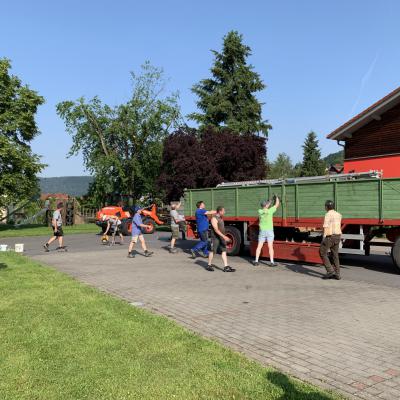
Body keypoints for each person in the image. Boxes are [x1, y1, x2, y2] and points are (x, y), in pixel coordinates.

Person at [253, 195, 280, 266]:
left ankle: (256, 261)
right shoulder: (270, 211)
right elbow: (277, 204)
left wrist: (269, 202)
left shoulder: (260, 211)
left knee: (259, 246)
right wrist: (277, 197)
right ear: (266, 205)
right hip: (269, 231)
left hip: (262, 231)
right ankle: (272, 262)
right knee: (270, 246)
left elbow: (265, 208)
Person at [207, 206, 235, 272]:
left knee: (224, 251)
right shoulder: (214, 219)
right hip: (215, 238)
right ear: (220, 211)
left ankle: (226, 266)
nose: (224, 212)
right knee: (213, 251)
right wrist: (224, 237)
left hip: (221, 237)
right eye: (223, 211)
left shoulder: (220, 218)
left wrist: (223, 237)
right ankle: (209, 265)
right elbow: (216, 230)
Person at [319, 200, 342, 280]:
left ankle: (330, 271)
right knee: (335, 255)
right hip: (338, 236)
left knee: (322, 252)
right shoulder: (338, 214)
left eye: (325, 206)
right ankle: (337, 274)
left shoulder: (328, 214)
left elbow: (326, 226)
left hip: (330, 237)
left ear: (327, 207)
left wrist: (323, 238)